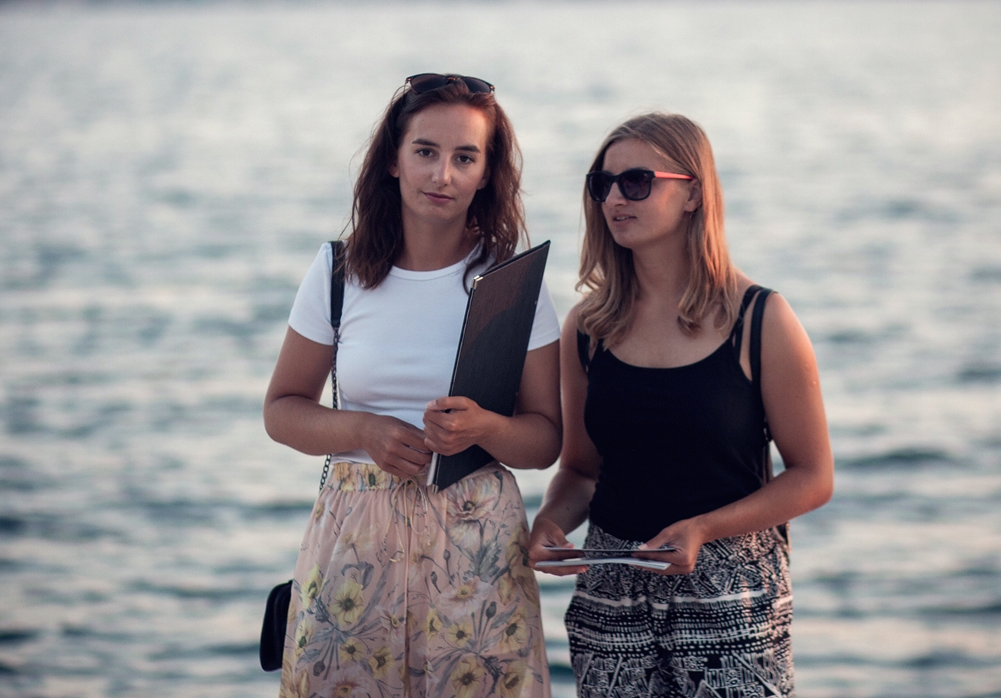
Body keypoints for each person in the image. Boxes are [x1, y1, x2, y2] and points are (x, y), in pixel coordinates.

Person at [265, 74, 561, 698]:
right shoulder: (338, 272)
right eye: (425, 151)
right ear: (393, 161)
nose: (442, 175)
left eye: (465, 158)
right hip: (354, 542)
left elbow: (544, 441)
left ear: (487, 174)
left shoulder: (513, 283)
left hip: (478, 547)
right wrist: (362, 429)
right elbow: (281, 411)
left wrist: (485, 428)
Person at [528, 113, 833, 697]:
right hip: (611, 605)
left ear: (693, 193)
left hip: (733, 602)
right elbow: (581, 470)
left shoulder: (760, 320)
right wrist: (549, 522)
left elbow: (813, 478)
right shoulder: (588, 327)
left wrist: (703, 528)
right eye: (602, 184)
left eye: (636, 181)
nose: (615, 198)